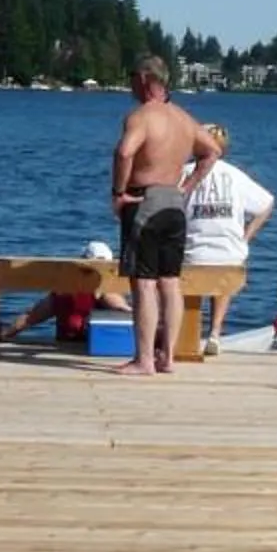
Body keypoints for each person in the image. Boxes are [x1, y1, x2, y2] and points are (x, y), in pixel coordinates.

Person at [109, 54, 204, 374]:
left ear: (148, 79)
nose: (130, 83)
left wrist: (118, 192)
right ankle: (168, 357)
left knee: (144, 283)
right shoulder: (184, 119)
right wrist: (186, 185)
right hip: (174, 205)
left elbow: (124, 152)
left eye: (133, 76)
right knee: (170, 281)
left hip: (144, 202)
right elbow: (212, 151)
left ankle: (144, 359)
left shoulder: (142, 116)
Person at [182, 122, 277, 353]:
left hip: (191, 252)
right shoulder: (236, 176)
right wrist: (245, 236)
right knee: (225, 267)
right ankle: (214, 332)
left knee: (189, 269)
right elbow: (267, 203)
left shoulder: (184, 173)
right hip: (229, 253)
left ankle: (187, 333)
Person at [0, 240, 126, 346]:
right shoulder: (104, 292)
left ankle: (2, 333)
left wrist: (5, 333)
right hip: (88, 347)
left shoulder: (63, 291)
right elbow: (124, 311)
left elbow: (31, 317)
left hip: (67, 343)